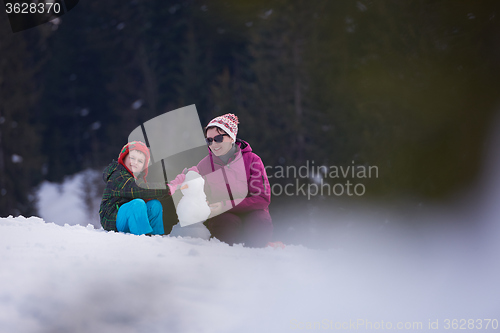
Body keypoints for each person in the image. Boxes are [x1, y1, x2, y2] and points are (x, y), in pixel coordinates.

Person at [196, 113, 273, 247]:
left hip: (253, 213)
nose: (213, 144)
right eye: (209, 140)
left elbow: (262, 198)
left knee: (260, 223)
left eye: (218, 138)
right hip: (223, 217)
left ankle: (259, 256)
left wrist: (226, 204)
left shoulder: (252, 160)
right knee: (226, 224)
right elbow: (197, 198)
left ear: (232, 137)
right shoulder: (204, 165)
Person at [99, 141, 186, 235]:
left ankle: (156, 238)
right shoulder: (118, 176)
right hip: (113, 219)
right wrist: (166, 188)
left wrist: (174, 185)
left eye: (140, 161)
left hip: (130, 217)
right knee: (138, 204)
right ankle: (143, 239)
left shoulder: (137, 179)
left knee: (154, 205)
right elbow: (139, 190)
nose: (135, 163)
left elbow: (147, 193)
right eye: (132, 158)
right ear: (124, 158)